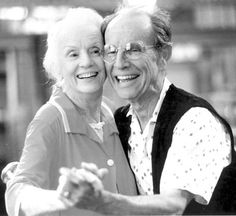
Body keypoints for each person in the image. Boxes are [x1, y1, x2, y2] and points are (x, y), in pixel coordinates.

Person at [65, 3, 236, 215]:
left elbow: (173, 205)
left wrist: (104, 202)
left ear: (163, 54)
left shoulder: (195, 120)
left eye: (133, 50)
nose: (119, 63)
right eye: (111, 52)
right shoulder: (118, 123)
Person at [4, 7, 137, 216]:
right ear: (57, 66)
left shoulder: (110, 115)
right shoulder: (50, 120)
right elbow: (17, 193)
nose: (86, 62)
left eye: (95, 50)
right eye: (73, 54)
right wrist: (59, 198)